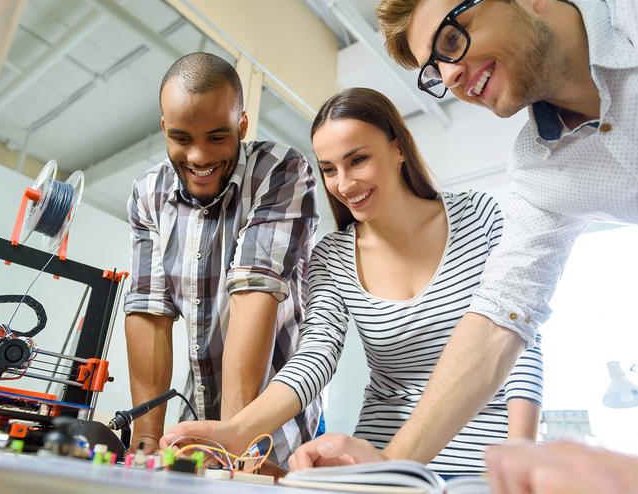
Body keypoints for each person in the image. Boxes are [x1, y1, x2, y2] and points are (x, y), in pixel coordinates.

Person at [287, 0, 638, 490]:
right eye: (435, 70)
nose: (451, 75)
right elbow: (503, 317)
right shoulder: (539, 171)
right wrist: (391, 467)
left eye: (451, 39)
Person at [161, 87, 543, 476]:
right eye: (329, 169)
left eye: (357, 160)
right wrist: (238, 430)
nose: (344, 185)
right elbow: (315, 357)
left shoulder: (478, 216)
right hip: (379, 459)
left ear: (398, 148)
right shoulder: (333, 255)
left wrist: (522, 453)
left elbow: (520, 337)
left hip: (487, 458)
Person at [123, 52, 321, 468]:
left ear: (242, 125)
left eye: (217, 137)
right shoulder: (147, 193)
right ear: (164, 128)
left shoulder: (280, 171)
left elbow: (255, 293)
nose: (197, 156)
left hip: (274, 431)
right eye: (181, 138)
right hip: (192, 420)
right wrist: (144, 439)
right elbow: (148, 309)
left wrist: (235, 439)